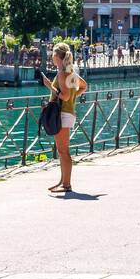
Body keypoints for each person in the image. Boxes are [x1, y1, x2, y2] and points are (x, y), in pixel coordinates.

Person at [41, 43, 87, 194]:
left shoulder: (62, 73)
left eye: (52, 54)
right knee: (63, 151)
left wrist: (49, 86)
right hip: (68, 113)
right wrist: (73, 98)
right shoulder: (71, 72)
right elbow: (84, 87)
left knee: (63, 151)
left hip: (62, 114)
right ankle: (63, 181)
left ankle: (66, 184)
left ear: (57, 56)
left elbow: (65, 95)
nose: (51, 57)